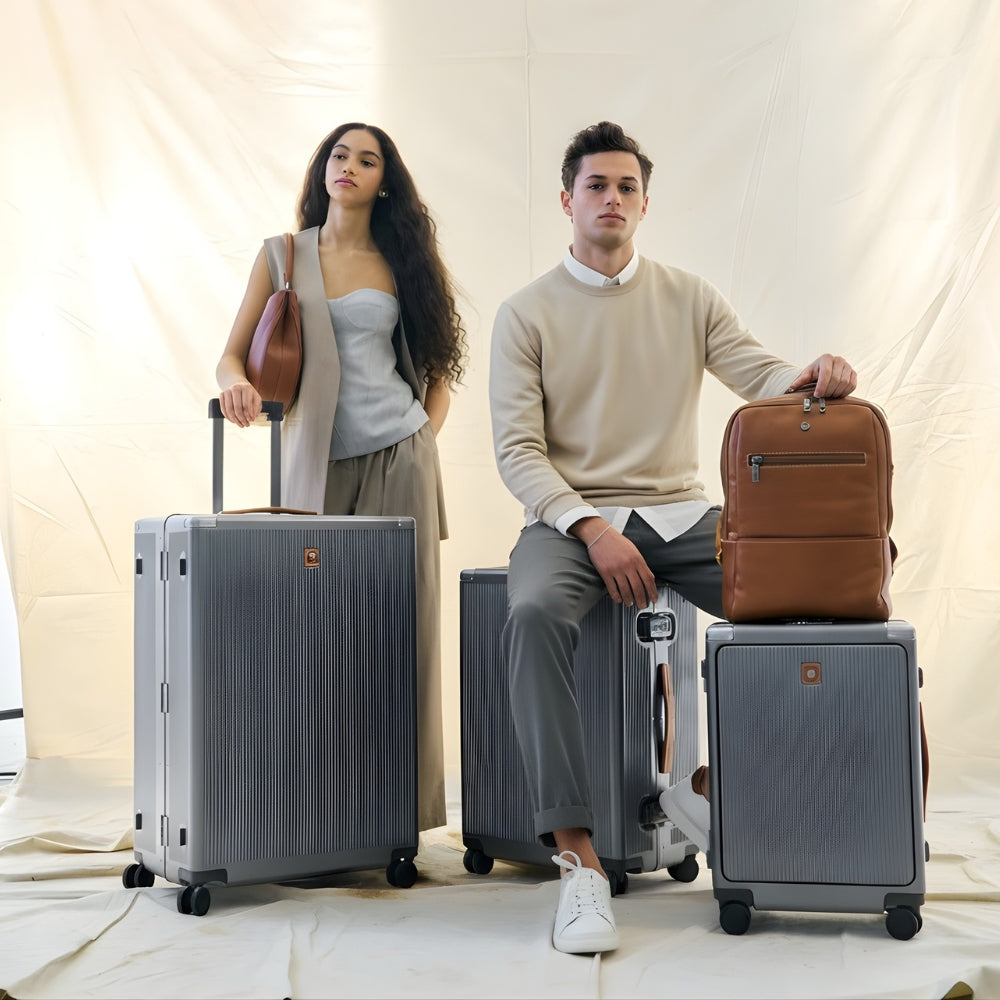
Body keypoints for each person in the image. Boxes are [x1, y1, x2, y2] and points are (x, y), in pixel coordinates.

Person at [489, 121, 858, 954]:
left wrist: (819, 377)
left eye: (627, 187)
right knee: (533, 613)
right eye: (596, 185)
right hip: (570, 520)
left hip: (683, 516)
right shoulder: (525, 313)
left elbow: (765, 380)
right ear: (566, 200)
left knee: (814, 610)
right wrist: (591, 528)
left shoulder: (690, 296)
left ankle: (717, 787)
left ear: (645, 204)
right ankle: (579, 861)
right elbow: (518, 453)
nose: (611, 198)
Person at [217, 123, 466, 832]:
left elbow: (437, 373)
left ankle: (397, 815)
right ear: (322, 168)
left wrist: (420, 442)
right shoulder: (282, 255)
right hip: (314, 467)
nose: (349, 166)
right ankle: (313, 812)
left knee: (399, 636)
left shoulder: (403, 262)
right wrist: (236, 386)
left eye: (367, 159)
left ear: (384, 182)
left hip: (400, 459)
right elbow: (230, 356)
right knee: (313, 636)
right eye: (339, 154)